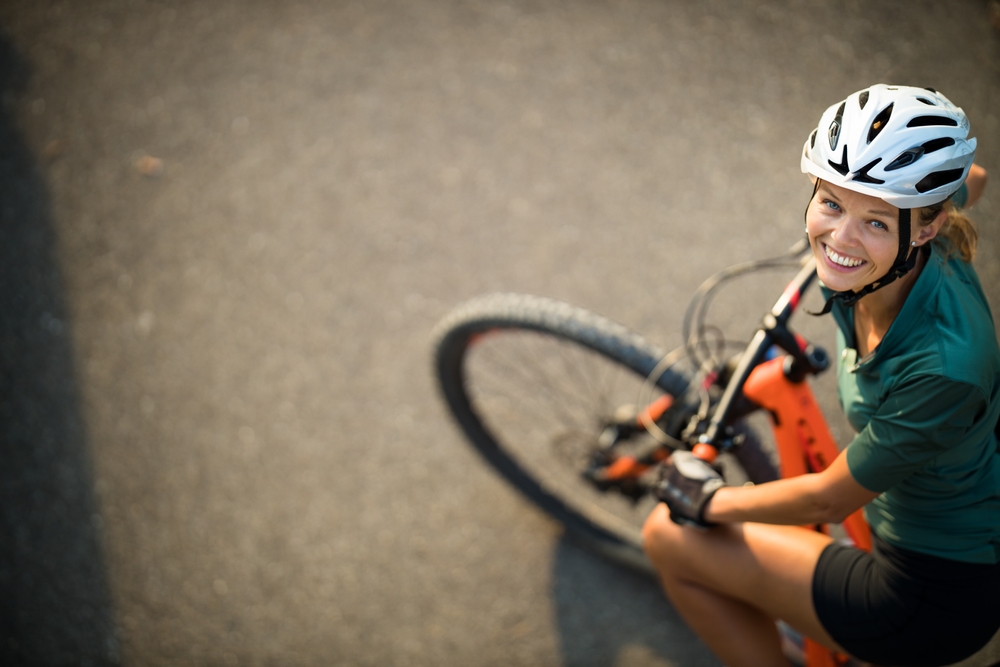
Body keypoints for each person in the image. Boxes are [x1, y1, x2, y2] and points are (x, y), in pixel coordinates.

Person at [641, 84, 1000, 667]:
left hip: (928, 594)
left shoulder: (943, 370)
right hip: (948, 495)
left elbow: (829, 500)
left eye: (876, 223)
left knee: (665, 536)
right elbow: (972, 181)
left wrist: (708, 502)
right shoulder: (918, 215)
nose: (839, 241)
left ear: (929, 227)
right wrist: (890, 198)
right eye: (831, 203)